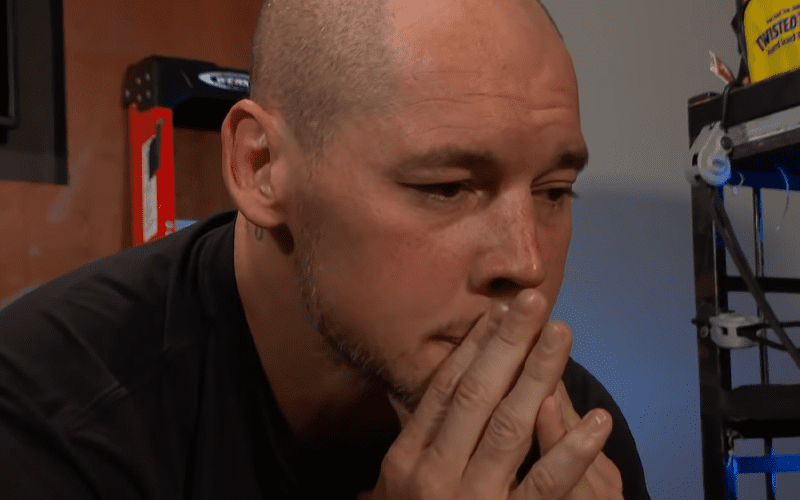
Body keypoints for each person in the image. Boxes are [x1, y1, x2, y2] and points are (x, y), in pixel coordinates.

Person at [0, 0, 651, 498]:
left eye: (555, 191)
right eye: (446, 188)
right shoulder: (48, 418)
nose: (526, 264)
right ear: (261, 166)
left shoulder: (569, 437)